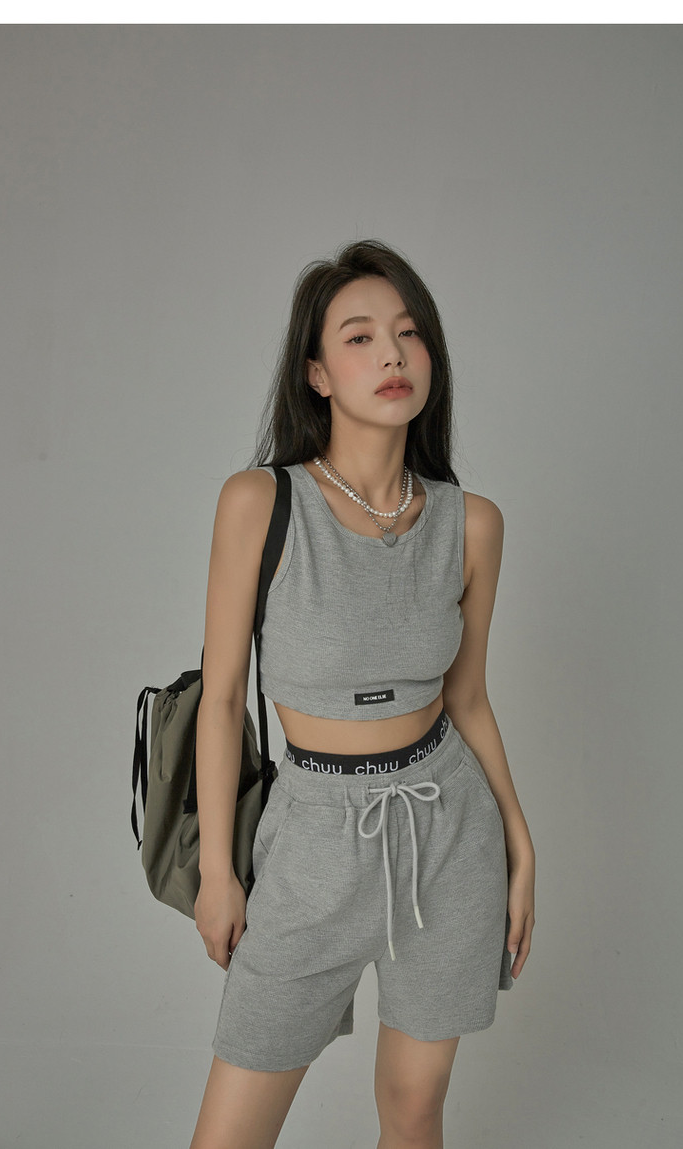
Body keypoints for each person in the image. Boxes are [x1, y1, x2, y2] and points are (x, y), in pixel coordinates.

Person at [189, 239, 536, 1149]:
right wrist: (220, 873)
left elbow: (468, 699)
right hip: (312, 838)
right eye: (360, 336)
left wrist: (519, 838)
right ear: (317, 374)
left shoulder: (472, 524)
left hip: (450, 830)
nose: (392, 353)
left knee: (415, 1108)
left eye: (409, 333)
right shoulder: (259, 503)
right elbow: (221, 700)